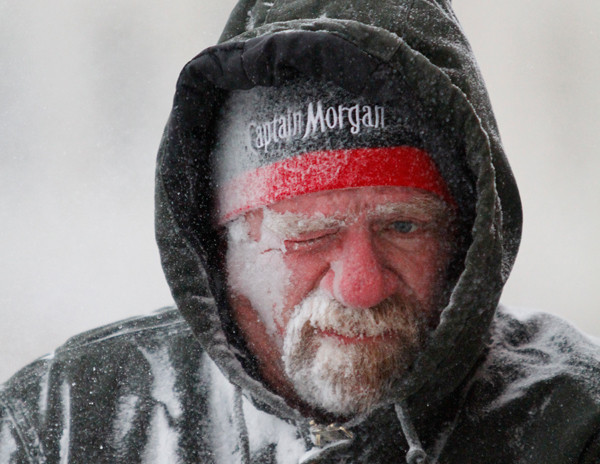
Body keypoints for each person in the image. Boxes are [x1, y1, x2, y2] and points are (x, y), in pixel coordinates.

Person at [1, 0, 600, 463]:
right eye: (308, 235)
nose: (361, 286)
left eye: (404, 226)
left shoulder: (573, 424)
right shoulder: (63, 426)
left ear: (467, 241)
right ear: (225, 246)